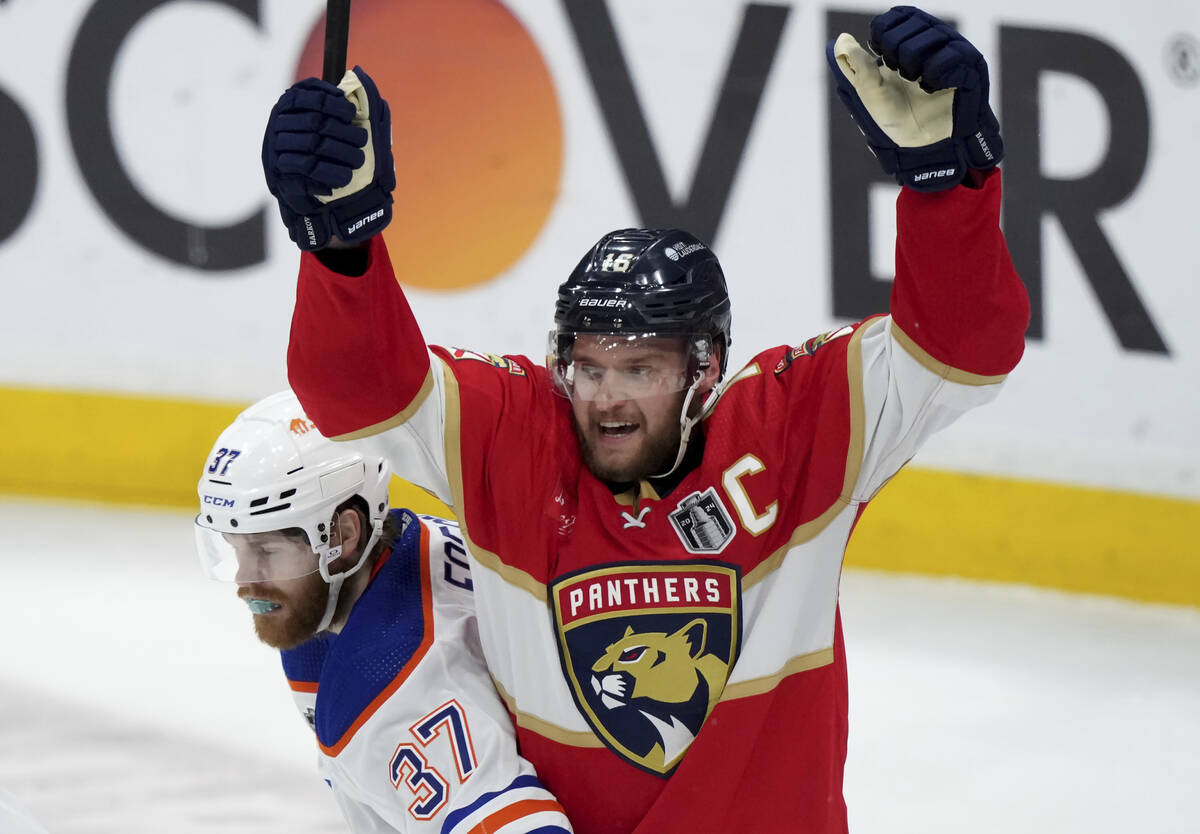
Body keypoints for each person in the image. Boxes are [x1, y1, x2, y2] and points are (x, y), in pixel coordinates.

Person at [260, 7, 1030, 833]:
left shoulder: (799, 429)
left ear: (704, 371)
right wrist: (340, 249)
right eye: (587, 367)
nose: (604, 396)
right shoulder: (514, 435)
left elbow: (960, 354)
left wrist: (948, 189)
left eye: (640, 370)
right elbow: (360, 396)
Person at [194, 390, 572, 834]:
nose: (245, 580)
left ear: (344, 533)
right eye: (234, 547)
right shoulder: (411, 546)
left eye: (267, 550)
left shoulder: (391, 681)